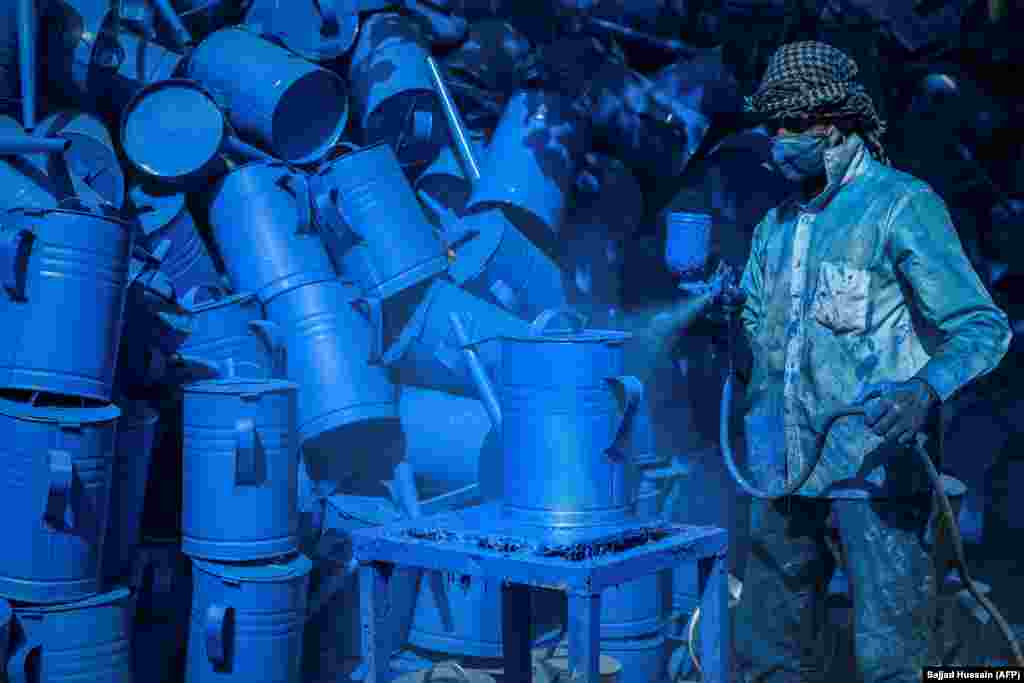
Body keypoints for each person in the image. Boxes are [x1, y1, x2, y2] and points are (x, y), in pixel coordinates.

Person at [727, 41, 1012, 682]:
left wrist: (923, 390)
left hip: (872, 470)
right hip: (781, 467)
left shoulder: (900, 207)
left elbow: (981, 327)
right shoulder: (774, 225)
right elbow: (757, 337)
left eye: (789, 126)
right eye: (768, 126)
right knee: (768, 655)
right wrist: (727, 317)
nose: (775, 140)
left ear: (831, 125)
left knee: (891, 659)